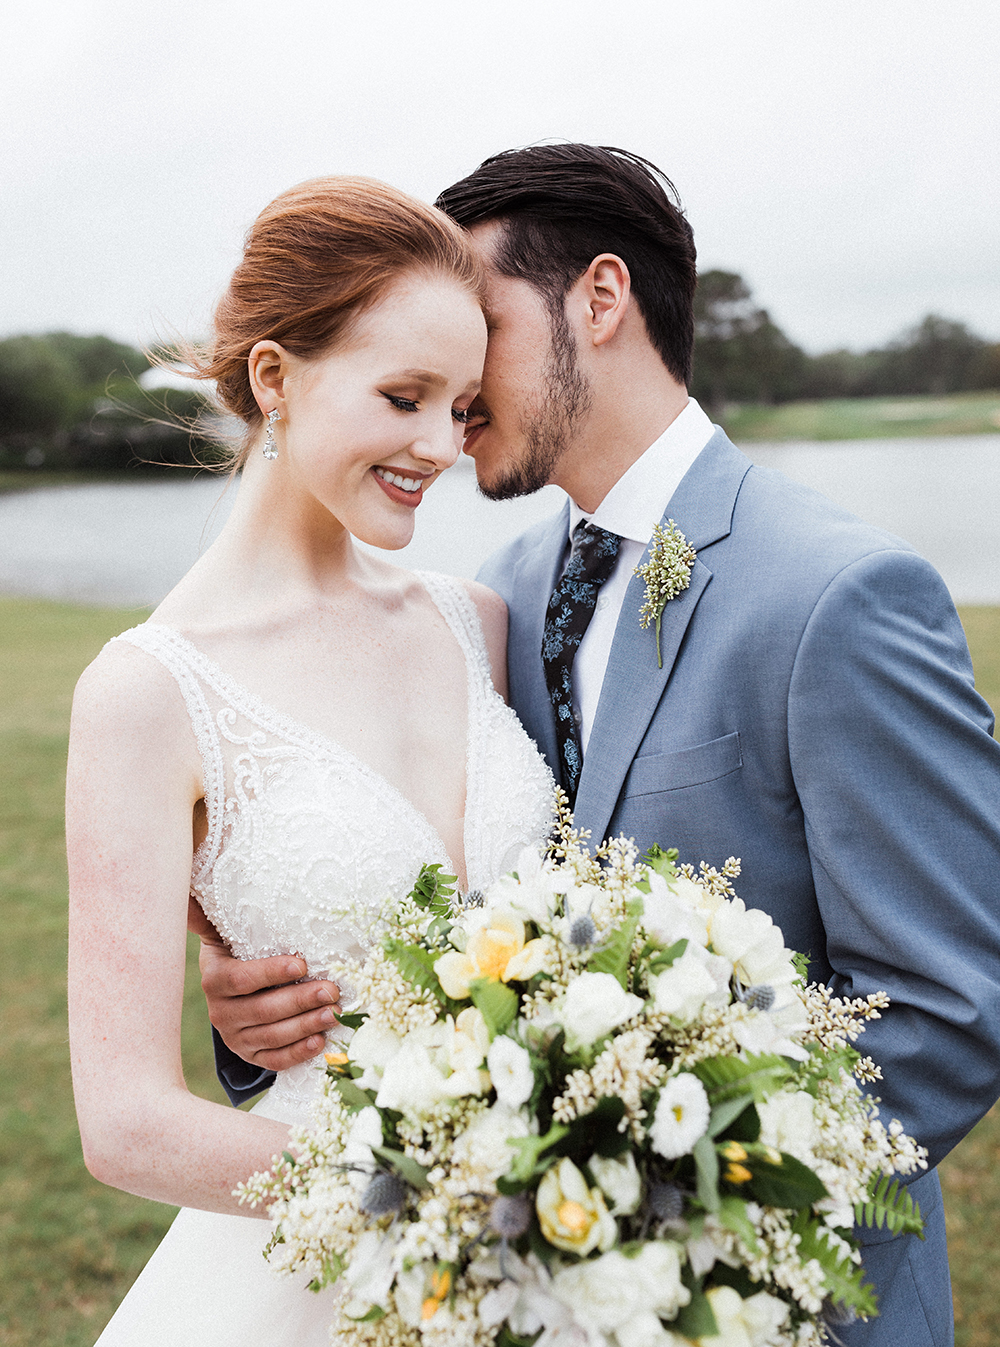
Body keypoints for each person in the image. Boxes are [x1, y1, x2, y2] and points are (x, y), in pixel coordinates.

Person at [206, 145, 1000, 1347]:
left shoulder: (839, 595)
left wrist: (659, 1223)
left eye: (480, 327)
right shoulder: (502, 591)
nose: (456, 389)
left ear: (601, 298)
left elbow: (949, 1009)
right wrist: (275, 1023)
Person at [66, 175, 556, 1345]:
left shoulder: (471, 621)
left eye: (463, 406)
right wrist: (438, 1204)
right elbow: (126, 1123)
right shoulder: (147, 693)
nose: (441, 446)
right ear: (275, 376)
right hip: (322, 1269)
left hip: (549, 1250)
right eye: (405, 397)